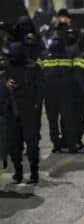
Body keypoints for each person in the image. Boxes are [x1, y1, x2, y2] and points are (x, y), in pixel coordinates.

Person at [5, 43, 42, 184]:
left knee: (31, 143)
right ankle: (18, 172)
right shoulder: (7, 67)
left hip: (29, 110)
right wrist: (6, 85)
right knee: (14, 144)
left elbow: (40, 86)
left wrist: (36, 105)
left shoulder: (33, 67)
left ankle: (34, 172)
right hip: (12, 110)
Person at [37, 33, 77, 153]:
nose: (56, 42)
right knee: (52, 120)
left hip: (66, 92)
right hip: (50, 94)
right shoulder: (44, 55)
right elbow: (38, 73)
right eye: (54, 40)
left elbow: (75, 73)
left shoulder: (68, 54)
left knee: (68, 119)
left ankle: (70, 143)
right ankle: (56, 143)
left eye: (58, 40)